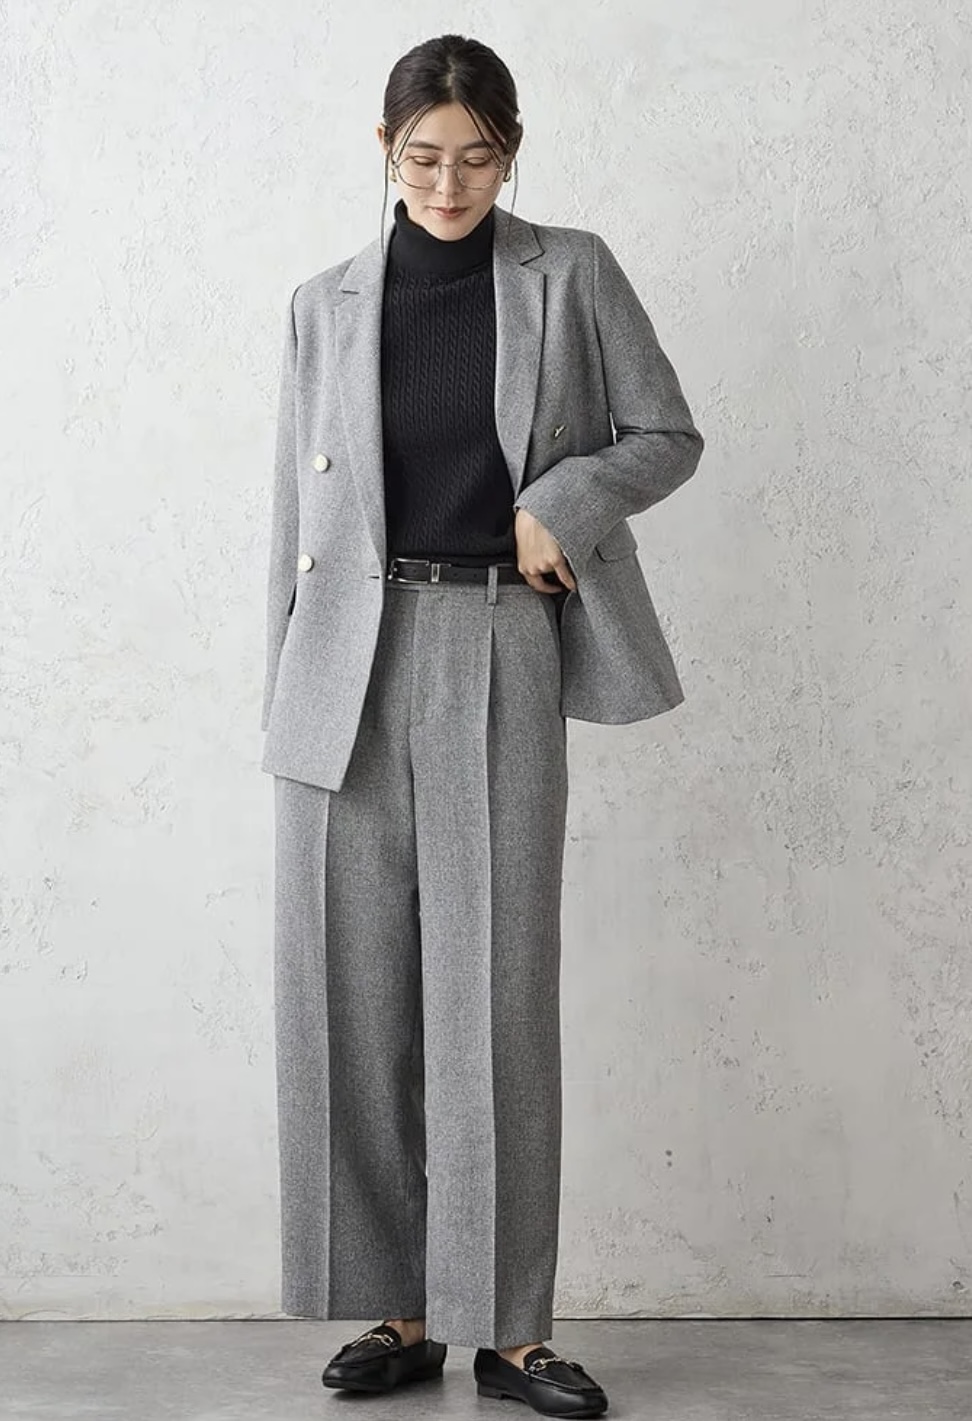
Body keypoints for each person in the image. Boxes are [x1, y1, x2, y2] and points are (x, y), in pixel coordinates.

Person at [261, 32, 704, 1419]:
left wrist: (555, 505)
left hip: (500, 639)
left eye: (477, 157)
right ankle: (398, 1312)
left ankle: (511, 1330)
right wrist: (282, 697)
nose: (449, 184)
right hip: (346, 665)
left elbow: (667, 433)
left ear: (512, 152)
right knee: (352, 993)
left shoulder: (570, 273)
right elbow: (291, 522)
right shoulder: (323, 304)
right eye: (423, 158)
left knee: (497, 993)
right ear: (384, 151)